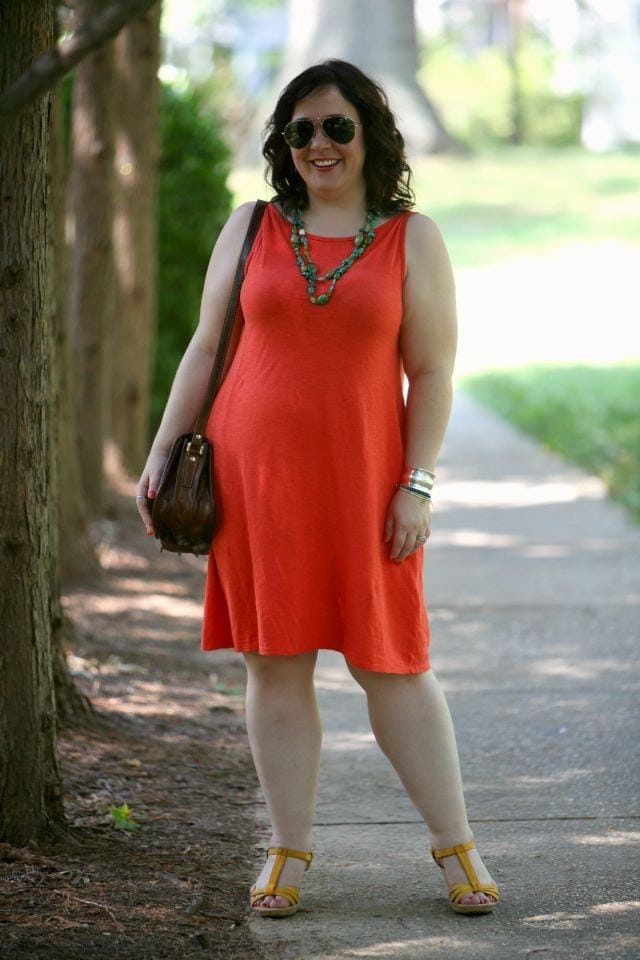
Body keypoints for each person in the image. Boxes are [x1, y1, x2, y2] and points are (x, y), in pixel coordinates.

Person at [136, 59, 500, 918]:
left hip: (367, 485)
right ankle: (288, 849)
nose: (319, 144)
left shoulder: (414, 238)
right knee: (276, 667)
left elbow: (434, 372)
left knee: (396, 666)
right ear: (283, 144)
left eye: (337, 126)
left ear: (370, 132)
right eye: (301, 131)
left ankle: (457, 847)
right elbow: (203, 346)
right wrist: (159, 454)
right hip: (256, 484)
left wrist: (417, 482)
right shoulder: (251, 225)